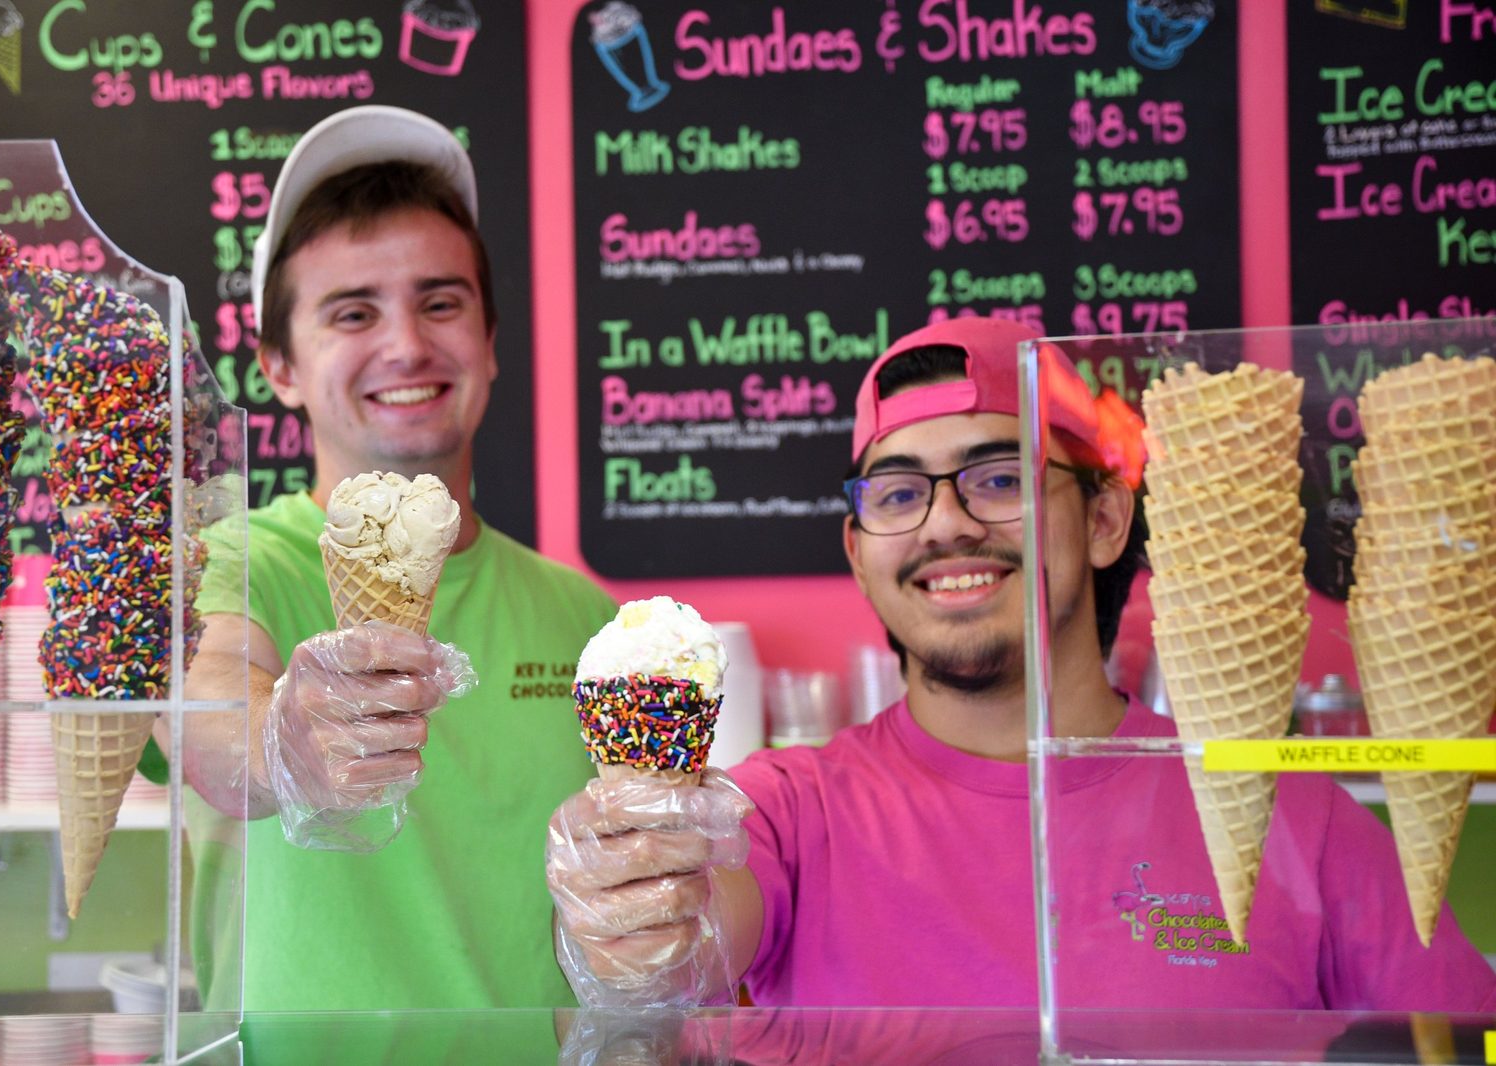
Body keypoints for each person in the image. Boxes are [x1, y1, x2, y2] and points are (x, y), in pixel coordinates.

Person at [545, 317, 1496, 1016]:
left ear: (1107, 520)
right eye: (898, 491)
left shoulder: (1299, 814)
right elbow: (694, 936)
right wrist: (631, 913)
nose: (947, 523)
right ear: (859, 550)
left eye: (999, 478)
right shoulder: (791, 810)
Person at [175, 105, 618, 1015]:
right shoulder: (227, 562)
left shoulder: (585, 616)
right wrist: (283, 738)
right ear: (280, 367)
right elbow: (208, 714)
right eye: (352, 312)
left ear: (491, 344)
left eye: (441, 302)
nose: (407, 345)